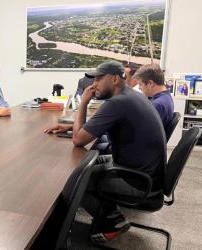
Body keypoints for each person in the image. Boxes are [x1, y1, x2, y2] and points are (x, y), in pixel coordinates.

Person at [45, 60, 166, 243]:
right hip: (144, 173)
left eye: (99, 78)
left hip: (139, 182)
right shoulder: (130, 95)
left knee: (76, 179)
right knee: (85, 166)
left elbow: (78, 140)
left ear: (115, 78)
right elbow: (87, 131)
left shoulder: (118, 103)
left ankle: (112, 221)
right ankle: (111, 216)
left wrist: (84, 102)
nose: (94, 84)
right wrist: (67, 127)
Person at [133, 64, 174, 132]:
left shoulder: (158, 104)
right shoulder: (165, 97)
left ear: (150, 83)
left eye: (140, 84)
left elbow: (142, 131)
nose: (139, 88)